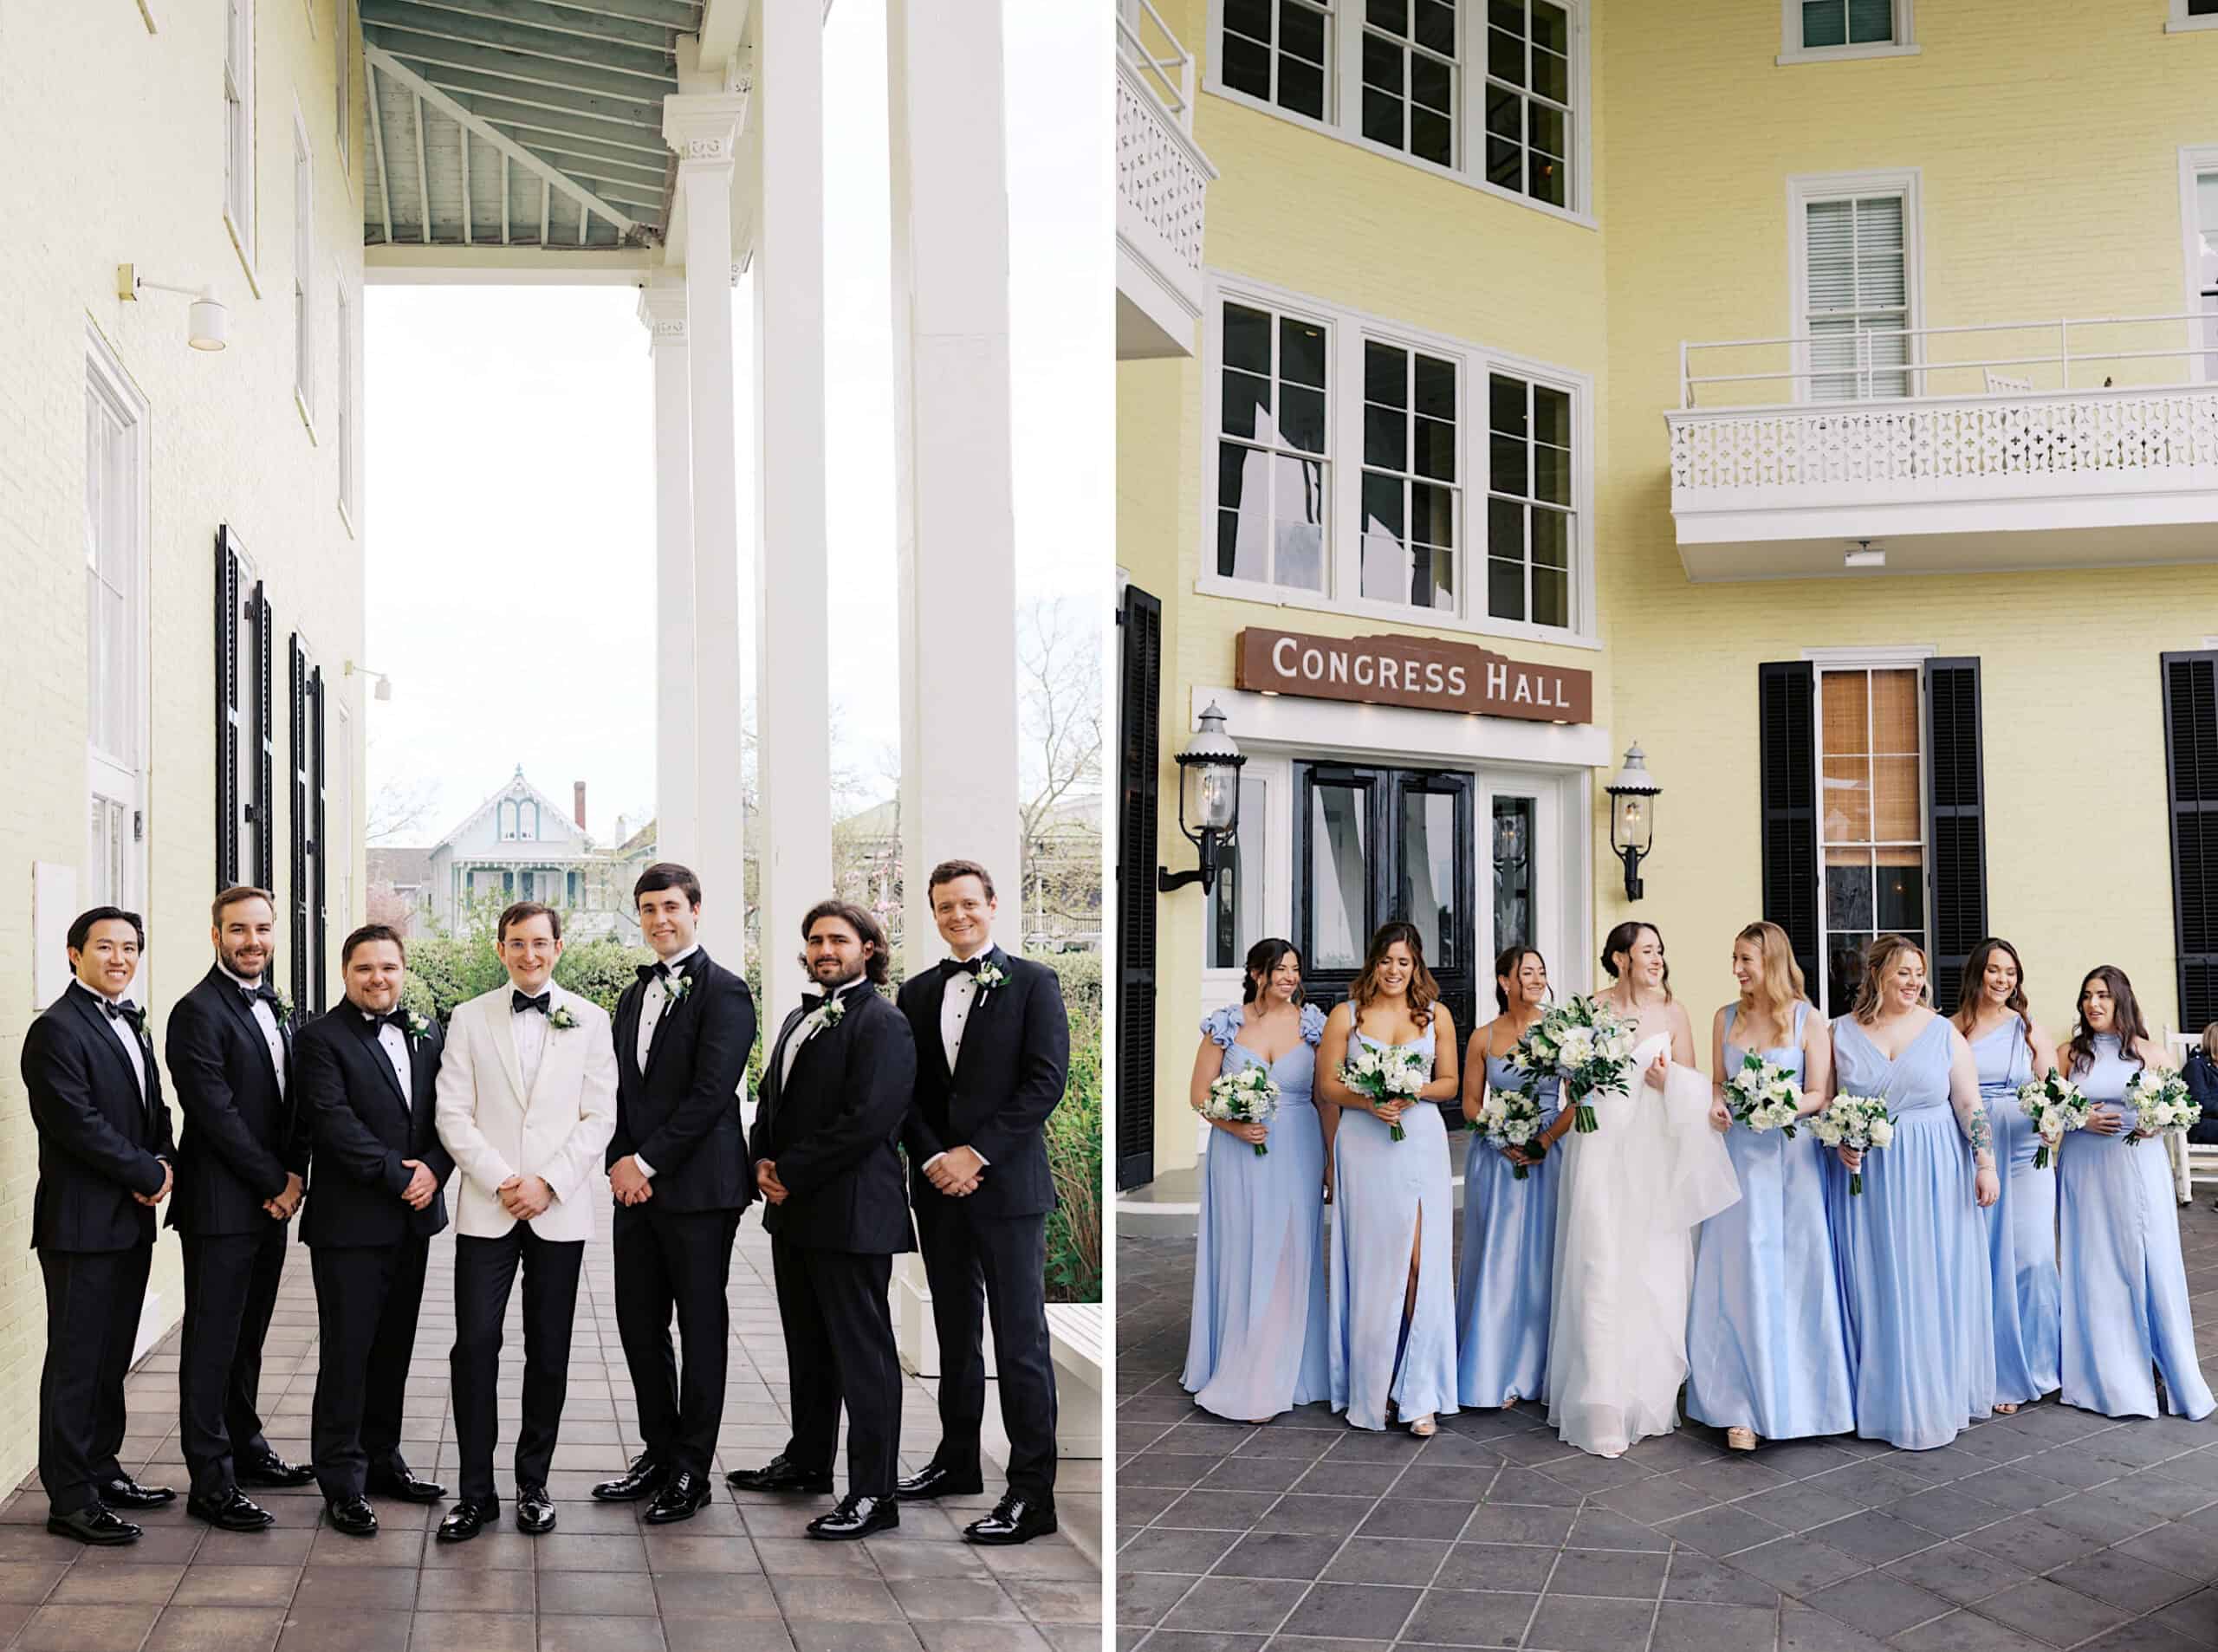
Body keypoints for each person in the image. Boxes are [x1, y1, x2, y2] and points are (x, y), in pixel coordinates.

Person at [729, 902, 917, 1540]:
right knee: (808, 1347)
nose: (825, 949)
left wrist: (793, 1168)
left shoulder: (884, 1023)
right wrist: (759, 1158)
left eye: (839, 938)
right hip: (796, 1213)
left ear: (869, 947)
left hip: (853, 1212)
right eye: (815, 939)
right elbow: (773, 1098)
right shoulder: (797, 1016)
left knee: (864, 1355)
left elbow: (869, 1119)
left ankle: (874, 1493)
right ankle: (808, 1461)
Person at [894, 860, 1070, 1545]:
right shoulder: (914, 994)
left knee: (1019, 1339)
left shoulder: (1034, 983)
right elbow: (904, 1090)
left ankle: (1033, 1493)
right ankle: (957, 1461)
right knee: (955, 1335)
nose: (958, 914)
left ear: (993, 905)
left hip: (1009, 1190)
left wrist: (978, 1153)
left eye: (969, 902)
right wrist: (936, 1156)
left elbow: (1045, 1081)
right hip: (940, 1190)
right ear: (933, 913)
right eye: (945, 906)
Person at [432, 902, 618, 1541]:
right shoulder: (468, 1017)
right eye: (517, 943)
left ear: (559, 947)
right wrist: (503, 1180)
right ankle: (476, 1491)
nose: (529, 954)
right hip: (488, 1208)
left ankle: (533, 1483)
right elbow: (452, 1112)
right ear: (499, 947)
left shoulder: (591, 1021)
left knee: (550, 1351)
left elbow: (600, 1116)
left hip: (558, 1211)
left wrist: (551, 1182)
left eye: (540, 943)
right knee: (475, 1347)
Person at [594, 864, 757, 1525]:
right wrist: (617, 1162)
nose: (660, 918)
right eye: (648, 908)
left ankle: (693, 1469)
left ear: (696, 908)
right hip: (635, 1192)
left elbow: (709, 1096)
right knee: (638, 1323)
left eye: (671, 906)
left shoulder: (727, 993)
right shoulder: (633, 997)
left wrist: (647, 1161)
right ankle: (658, 1451)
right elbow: (621, 1091)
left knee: (701, 1326)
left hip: (699, 1191)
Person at [1541, 921, 1738, 1459]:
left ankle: (1648, 1392)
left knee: (1653, 1265)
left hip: (1652, 1147)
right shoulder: (1592, 1009)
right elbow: (1570, 1084)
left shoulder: (1674, 1012)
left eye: (1659, 949)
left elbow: (1697, 1085)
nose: (1657, 958)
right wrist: (1580, 1075)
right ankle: (1600, 1400)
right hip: (1602, 1144)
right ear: (1620, 958)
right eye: (1647, 950)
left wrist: (1667, 1081)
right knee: (1600, 1263)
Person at [20, 908, 176, 1545]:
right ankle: (71, 1497)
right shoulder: (55, 1030)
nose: (119, 958)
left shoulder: (131, 1022)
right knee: (77, 1362)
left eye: (130, 947)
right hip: (81, 1225)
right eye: (105, 946)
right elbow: (75, 1122)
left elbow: (152, 1105)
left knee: (113, 1355)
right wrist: (144, 1168)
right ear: (72, 953)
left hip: (130, 1220)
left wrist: (165, 1158)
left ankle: (102, 1466)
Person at [291, 924, 452, 1536]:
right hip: (349, 1225)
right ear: (345, 972)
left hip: (411, 1221)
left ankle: (384, 1460)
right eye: (365, 968)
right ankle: (342, 1479)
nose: (377, 978)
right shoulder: (318, 1040)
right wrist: (399, 1176)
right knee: (347, 1354)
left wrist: (435, 1169)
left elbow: (448, 1112)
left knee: (393, 1351)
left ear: (403, 968)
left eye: (388, 966)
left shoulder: (427, 1032)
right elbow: (332, 1122)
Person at [164, 885, 315, 1531]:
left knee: (247, 1337)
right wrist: (274, 1179)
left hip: (271, 1204)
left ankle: (246, 1447)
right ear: (216, 934)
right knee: (211, 1340)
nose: (252, 940)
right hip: (222, 1205)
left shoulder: (273, 1005)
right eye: (238, 929)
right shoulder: (196, 1011)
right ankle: (211, 1478)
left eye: (262, 928)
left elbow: (291, 1100)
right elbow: (215, 1114)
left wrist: (296, 1176)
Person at [1826, 935, 1999, 1451]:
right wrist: (1841, 1142)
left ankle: (1932, 1395)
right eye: (1903, 971)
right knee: (1874, 1278)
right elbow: (1833, 1102)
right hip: (1869, 1179)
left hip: (1933, 1170)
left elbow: (1970, 1104)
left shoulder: (1943, 1032)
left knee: (1930, 1276)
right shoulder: (1839, 1032)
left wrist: (1984, 1163)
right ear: (1876, 974)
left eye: (1919, 972)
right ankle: (1878, 1399)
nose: (1914, 981)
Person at [1683, 922, 1852, 1452]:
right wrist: (1717, 1100)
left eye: (1745, 961)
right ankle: (1737, 1404)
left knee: (1793, 1273)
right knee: (1737, 1274)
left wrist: (1776, 1106)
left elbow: (1818, 1093)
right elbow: (1717, 1078)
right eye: (1734, 959)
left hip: (1790, 1161)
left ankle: (1802, 1399)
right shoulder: (1723, 1017)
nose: (1736, 970)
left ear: (1772, 963)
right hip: (1737, 1159)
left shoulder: (1809, 1019)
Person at [1317, 921, 1460, 1436]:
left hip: (1419, 1142)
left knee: (1421, 1261)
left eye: (1404, 962)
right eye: (1386, 961)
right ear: (1372, 963)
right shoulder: (1346, 1016)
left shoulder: (1435, 1015)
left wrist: (1411, 1091)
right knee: (1377, 1265)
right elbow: (1329, 1086)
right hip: (1363, 1145)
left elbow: (1450, 1083)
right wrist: (1369, 1100)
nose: (1395, 971)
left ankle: (1418, 1390)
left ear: (1416, 965)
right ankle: (1377, 1384)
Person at [2055, 966, 2214, 1420]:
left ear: (2121, 999)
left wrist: (2157, 1121)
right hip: (2084, 1167)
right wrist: (2080, 1119)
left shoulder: (2152, 1055)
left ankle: (2162, 1364)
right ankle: (2104, 1373)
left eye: (2103, 995)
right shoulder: (2070, 1055)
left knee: (2149, 1263)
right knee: (2093, 1265)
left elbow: (2182, 1114)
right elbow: (2049, 1108)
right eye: (2087, 996)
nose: (2093, 1004)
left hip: (2137, 1168)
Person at [1181, 938, 1328, 1422]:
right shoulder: (1226, 1024)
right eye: (1280, 968)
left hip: (1299, 1146)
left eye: (1295, 969)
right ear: (1256, 972)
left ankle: (1285, 1363)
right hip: (1237, 1153)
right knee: (1244, 1249)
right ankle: (1240, 1360)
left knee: (1290, 1250)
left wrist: (1330, 1161)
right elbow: (1199, 1094)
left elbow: (1325, 1099)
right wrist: (1234, 1124)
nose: (1289, 977)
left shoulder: (1312, 1026)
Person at [1952, 939, 2062, 1415]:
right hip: (1975, 1147)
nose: (2002, 980)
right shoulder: (1951, 1028)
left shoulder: (2028, 1028)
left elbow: (2054, 1090)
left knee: (2034, 1256)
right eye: (1994, 971)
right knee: (1986, 1259)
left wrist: (2049, 1114)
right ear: (1977, 974)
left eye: (2011, 972)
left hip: (2026, 1148)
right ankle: (1996, 1372)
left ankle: (2040, 1366)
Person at [1455, 946, 1560, 1412]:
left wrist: (1545, 1140)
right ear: (1504, 981)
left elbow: (1579, 1098)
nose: (1536, 980)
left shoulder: (1560, 1032)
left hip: (1549, 1153)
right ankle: (1493, 1367)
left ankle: (1540, 1370)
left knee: (1541, 1257)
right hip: (1495, 1158)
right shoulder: (1483, 1037)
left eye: (1541, 972)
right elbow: (1470, 1103)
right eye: (1527, 972)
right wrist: (1499, 1135)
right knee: (1497, 1256)